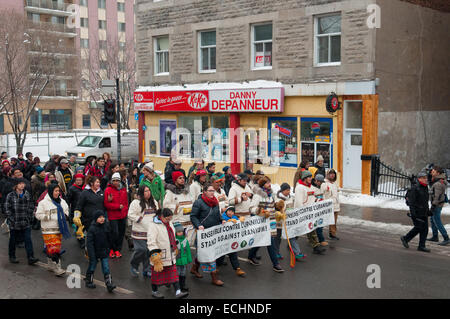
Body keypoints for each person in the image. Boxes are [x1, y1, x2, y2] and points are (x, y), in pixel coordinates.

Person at [147, 208, 189, 299]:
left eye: (170, 219)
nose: (169, 220)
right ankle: (154, 291)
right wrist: (154, 254)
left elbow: (172, 236)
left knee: (174, 274)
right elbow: (151, 241)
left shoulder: (169, 223)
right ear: (161, 216)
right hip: (159, 255)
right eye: (167, 219)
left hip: (170, 254)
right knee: (156, 276)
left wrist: (175, 245)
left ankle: (178, 292)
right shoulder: (153, 225)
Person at [248, 176, 284, 273]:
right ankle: (275, 264)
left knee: (261, 240)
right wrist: (260, 211)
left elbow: (272, 206)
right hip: (261, 223)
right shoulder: (257, 195)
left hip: (271, 222)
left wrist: (278, 207)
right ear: (263, 184)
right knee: (269, 242)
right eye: (268, 183)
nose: (270, 184)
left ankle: (251, 256)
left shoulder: (271, 195)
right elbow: (251, 208)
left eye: (270, 182)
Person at [190, 184, 225, 286]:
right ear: (204, 191)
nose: (212, 193)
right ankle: (214, 278)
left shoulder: (215, 202)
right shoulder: (198, 202)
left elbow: (217, 215)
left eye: (213, 191)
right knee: (209, 255)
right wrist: (198, 226)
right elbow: (193, 216)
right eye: (210, 191)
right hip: (203, 234)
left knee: (204, 254)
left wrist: (222, 220)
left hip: (213, 233)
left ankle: (194, 268)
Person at [35, 183, 71, 276]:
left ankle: (50, 265)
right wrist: (49, 216)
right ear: (51, 191)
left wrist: (65, 215)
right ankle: (57, 268)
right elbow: (38, 215)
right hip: (48, 229)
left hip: (60, 229)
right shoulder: (43, 203)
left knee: (52, 248)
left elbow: (66, 210)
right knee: (54, 249)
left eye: (58, 191)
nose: (57, 193)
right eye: (55, 191)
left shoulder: (62, 201)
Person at [5, 178, 39, 265]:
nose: (22, 185)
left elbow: (31, 205)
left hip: (25, 221)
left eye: (23, 183)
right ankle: (12, 256)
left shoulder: (27, 194)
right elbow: (7, 208)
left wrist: (29, 216)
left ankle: (30, 257)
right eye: (20, 183)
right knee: (13, 240)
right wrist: (11, 219)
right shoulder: (10, 195)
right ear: (16, 185)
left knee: (28, 239)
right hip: (14, 222)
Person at [128, 185, 159, 278]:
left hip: (151, 232)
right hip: (139, 232)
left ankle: (147, 269)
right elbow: (130, 214)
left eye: (149, 190)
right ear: (141, 193)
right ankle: (134, 264)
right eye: (145, 191)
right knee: (141, 250)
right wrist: (140, 219)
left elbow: (157, 214)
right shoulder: (135, 203)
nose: (148, 192)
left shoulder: (154, 202)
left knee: (149, 252)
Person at [294, 170, 326, 255]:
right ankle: (292, 243)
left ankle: (316, 247)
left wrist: (318, 201)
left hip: (310, 213)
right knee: (298, 230)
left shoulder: (310, 187)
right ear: (304, 178)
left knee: (311, 229)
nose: (311, 178)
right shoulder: (299, 188)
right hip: (302, 213)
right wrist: (301, 212)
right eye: (309, 177)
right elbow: (298, 202)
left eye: (311, 177)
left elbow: (312, 198)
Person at [85, 210, 116, 292]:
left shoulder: (106, 226)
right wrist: (91, 255)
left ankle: (109, 284)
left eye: (103, 217)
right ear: (95, 219)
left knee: (106, 267)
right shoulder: (92, 229)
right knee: (92, 266)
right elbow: (89, 243)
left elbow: (109, 238)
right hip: (94, 252)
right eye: (100, 217)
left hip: (104, 251)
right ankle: (89, 280)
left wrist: (112, 247)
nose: (102, 219)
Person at [401, 172, 432, 252]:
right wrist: (413, 213)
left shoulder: (425, 187)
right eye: (424, 178)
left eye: (426, 178)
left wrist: (428, 211)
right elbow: (411, 202)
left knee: (424, 229)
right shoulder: (415, 188)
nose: (426, 179)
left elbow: (425, 201)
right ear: (419, 178)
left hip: (423, 211)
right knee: (419, 227)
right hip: (417, 212)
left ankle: (421, 246)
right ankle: (406, 238)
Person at [74, 176, 105, 249]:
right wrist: (76, 216)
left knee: (99, 239)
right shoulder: (85, 193)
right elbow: (79, 206)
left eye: (99, 182)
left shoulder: (101, 192)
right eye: (97, 182)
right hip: (88, 220)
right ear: (91, 183)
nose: (98, 184)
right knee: (90, 239)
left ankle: (97, 254)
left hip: (100, 220)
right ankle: (90, 254)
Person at [276, 183, 305, 260]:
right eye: (287, 190)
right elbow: (276, 211)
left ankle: (297, 253)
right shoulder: (278, 199)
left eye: (289, 190)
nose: (288, 192)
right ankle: (276, 253)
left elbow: (293, 208)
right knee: (277, 239)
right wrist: (281, 214)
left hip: (289, 222)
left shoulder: (290, 198)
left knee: (292, 237)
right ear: (282, 190)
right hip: (279, 223)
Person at [163, 171, 194, 244]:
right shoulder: (170, 192)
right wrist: (177, 207)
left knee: (188, 244)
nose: (182, 179)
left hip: (189, 222)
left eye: (183, 178)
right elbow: (165, 206)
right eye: (180, 178)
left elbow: (192, 201)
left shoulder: (187, 191)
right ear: (175, 180)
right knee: (178, 244)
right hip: (178, 222)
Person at [104, 172, 129, 258]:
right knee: (114, 233)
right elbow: (106, 204)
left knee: (121, 234)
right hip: (113, 216)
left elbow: (126, 203)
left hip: (122, 215)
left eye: (117, 180)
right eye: (114, 180)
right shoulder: (108, 190)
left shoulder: (123, 189)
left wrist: (125, 211)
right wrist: (118, 206)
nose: (115, 182)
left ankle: (118, 249)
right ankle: (112, 249)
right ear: (111, 181)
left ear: (120, 181)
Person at [427, 166, 449, 245]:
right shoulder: (435, 181)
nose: (431, 172)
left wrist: (433, 206)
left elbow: (437, 196)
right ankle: (435, 236)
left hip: (436, 205)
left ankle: (446, 238)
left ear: (438, 173)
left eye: (434, 171)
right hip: (435, 204)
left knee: (437, 221)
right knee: (433, 220)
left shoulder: (439, 183)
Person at [67, 173, 86, 248]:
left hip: (84, 210)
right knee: (78, 225)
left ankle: (83, 237)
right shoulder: (72, 189)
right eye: (77, 180)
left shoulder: (85, 188)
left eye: (80, 180)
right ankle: (80, 239)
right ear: (75, 180)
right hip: (76, 210)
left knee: (84, 225)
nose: (79, 181)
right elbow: (68, 200)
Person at [322, 169, 340, 240]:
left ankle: (332, 234)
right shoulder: (324, 183)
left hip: (336, 205)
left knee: (334, 221)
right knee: (324, 221)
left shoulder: (335, 183)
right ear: (327, 175)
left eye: (333, 173)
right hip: (328, 205)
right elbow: (323, 194)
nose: (332, 175)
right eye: (331, 173)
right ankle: (317, 234)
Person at [174, 223, 192, 292]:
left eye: (181, 231)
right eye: (178, 232)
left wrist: (189, 258)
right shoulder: (175, 241)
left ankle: (182, 285)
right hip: (177, 260)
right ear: (175, 233)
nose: (180, 233)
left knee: (183, 273)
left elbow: (188, 250)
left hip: (184, 260)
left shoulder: (185, 240)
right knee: (177, 274)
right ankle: (177, 287)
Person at [312, 174, 328, 247]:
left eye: (322, 182)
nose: (321, 183)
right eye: (320, 182)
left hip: (320, 209)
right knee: (316, 225)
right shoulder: (312, 188)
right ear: (316, 181)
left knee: (320, 225)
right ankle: (321, 240)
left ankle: (320, 240)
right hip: (314, 209)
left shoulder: (321, 187)